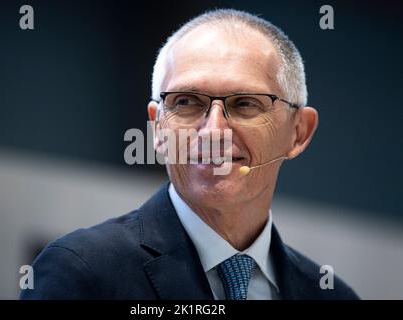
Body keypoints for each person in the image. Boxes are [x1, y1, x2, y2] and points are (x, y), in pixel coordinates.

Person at [20, 9, 359, 300]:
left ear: (298, 132)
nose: (213, 132)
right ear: (157, 128)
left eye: (245, 104)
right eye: (186, 102)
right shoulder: (83, 273)